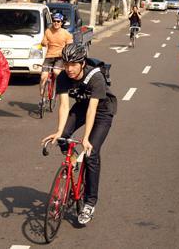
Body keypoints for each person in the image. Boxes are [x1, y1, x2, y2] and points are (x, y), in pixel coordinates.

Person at [42, 44, 116, 225]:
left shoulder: (96, 77)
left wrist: (85, 139)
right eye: (66, 64)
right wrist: (59, 131)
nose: (69, 68)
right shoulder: (64, 77)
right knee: (63, 136)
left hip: (102, 111)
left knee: (91, 154)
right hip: (82, 106)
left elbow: (93, 110)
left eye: (74, 64)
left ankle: (90, 203)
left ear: (82, 63)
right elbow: (65, 106)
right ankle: (74, 159)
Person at [40, 12, 73, 99]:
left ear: (61, 23)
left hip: (60, 57)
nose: (56, 23)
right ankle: (42, 96)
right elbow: (43, 42)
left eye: (58, 21)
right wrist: (43, 43)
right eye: (54, 21)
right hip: (49, 56)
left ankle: (59, 87)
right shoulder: (48, 31)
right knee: (43, 76)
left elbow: (69, 46)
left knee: (56, 72)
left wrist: (67, 55)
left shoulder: (66, 33)